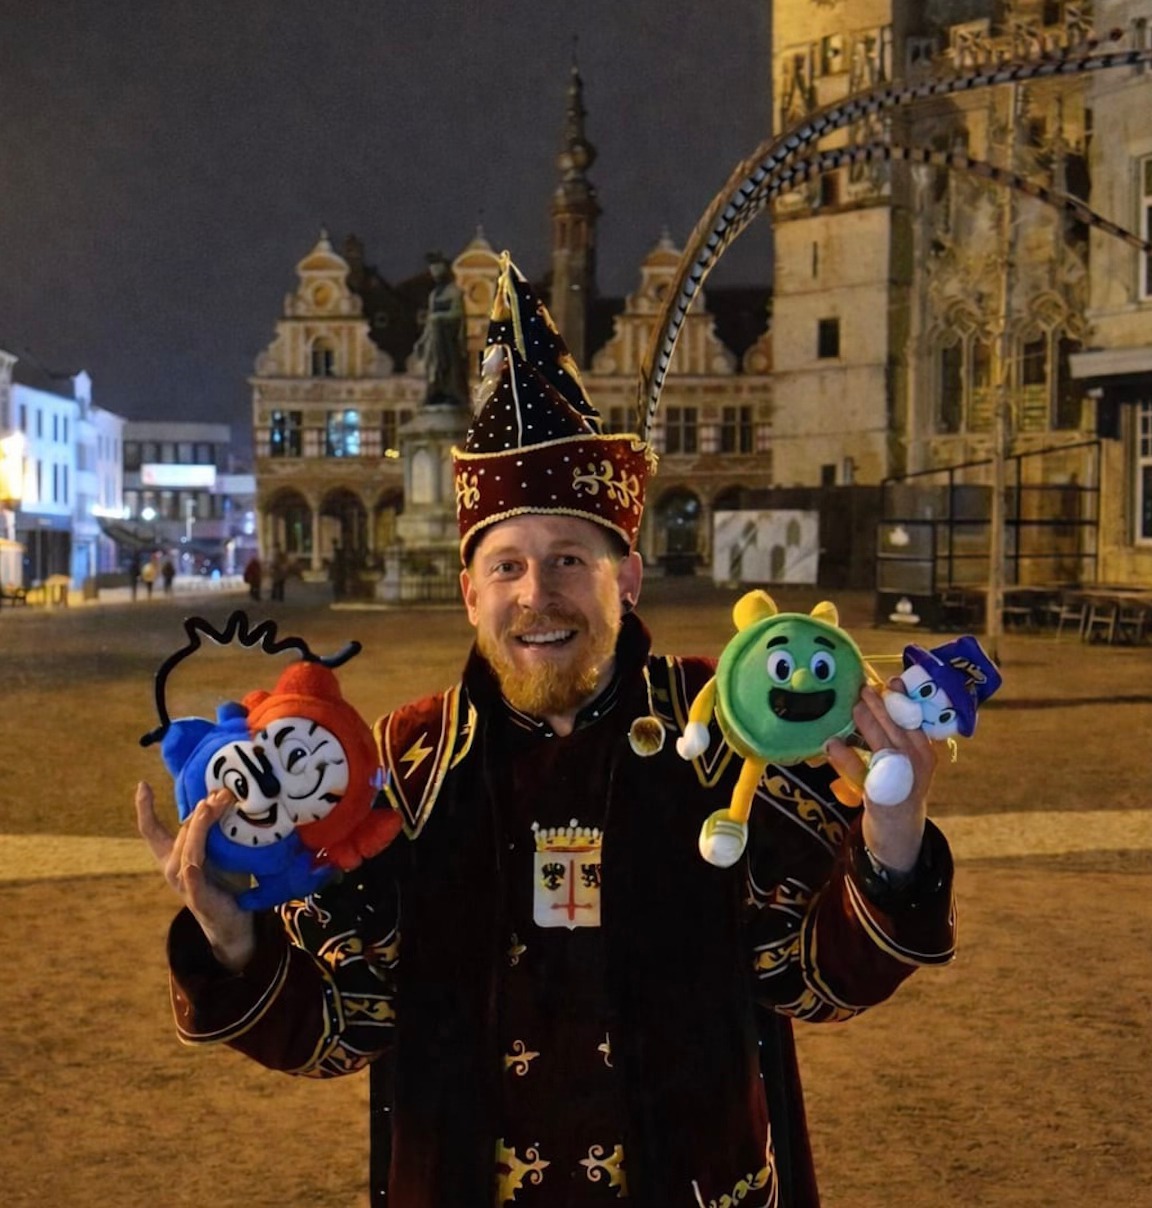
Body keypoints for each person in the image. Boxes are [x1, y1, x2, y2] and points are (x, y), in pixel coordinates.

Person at [137, 258, 955, 1207]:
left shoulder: (723, 731)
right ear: (470, 593)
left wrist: (892, 853)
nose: (540, 595)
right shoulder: (405, 766)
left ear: (628, 580)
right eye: (510, 565)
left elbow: (809, 977)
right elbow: (342, 1025)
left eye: (571, 558)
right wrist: (236, 942)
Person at [413, 250, 469, 406]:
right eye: (432, 270)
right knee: (434, 365)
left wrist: (438, 318)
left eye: (437, 269)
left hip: (448, 335)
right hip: (435, 336)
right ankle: (436, 391)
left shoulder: (454, 291)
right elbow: (429, 320)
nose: (434, 273)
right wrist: (422, 341)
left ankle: (450, 392)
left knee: (449, 365)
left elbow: (457, 313)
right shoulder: (433, 295)